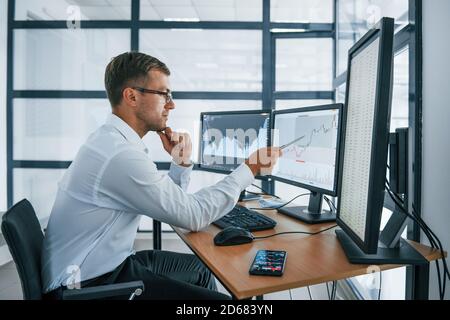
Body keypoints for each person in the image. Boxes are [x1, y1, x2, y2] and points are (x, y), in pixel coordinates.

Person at [41, 52, 281, 300]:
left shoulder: (113, 142)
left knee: (203, 271)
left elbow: (169, 205)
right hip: (89, 286)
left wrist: (181, 162)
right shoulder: (119, 155)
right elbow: (193, 216)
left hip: (108, 266)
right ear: (131, 96)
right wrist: (250, 168)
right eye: (164, 94)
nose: (171, 104)